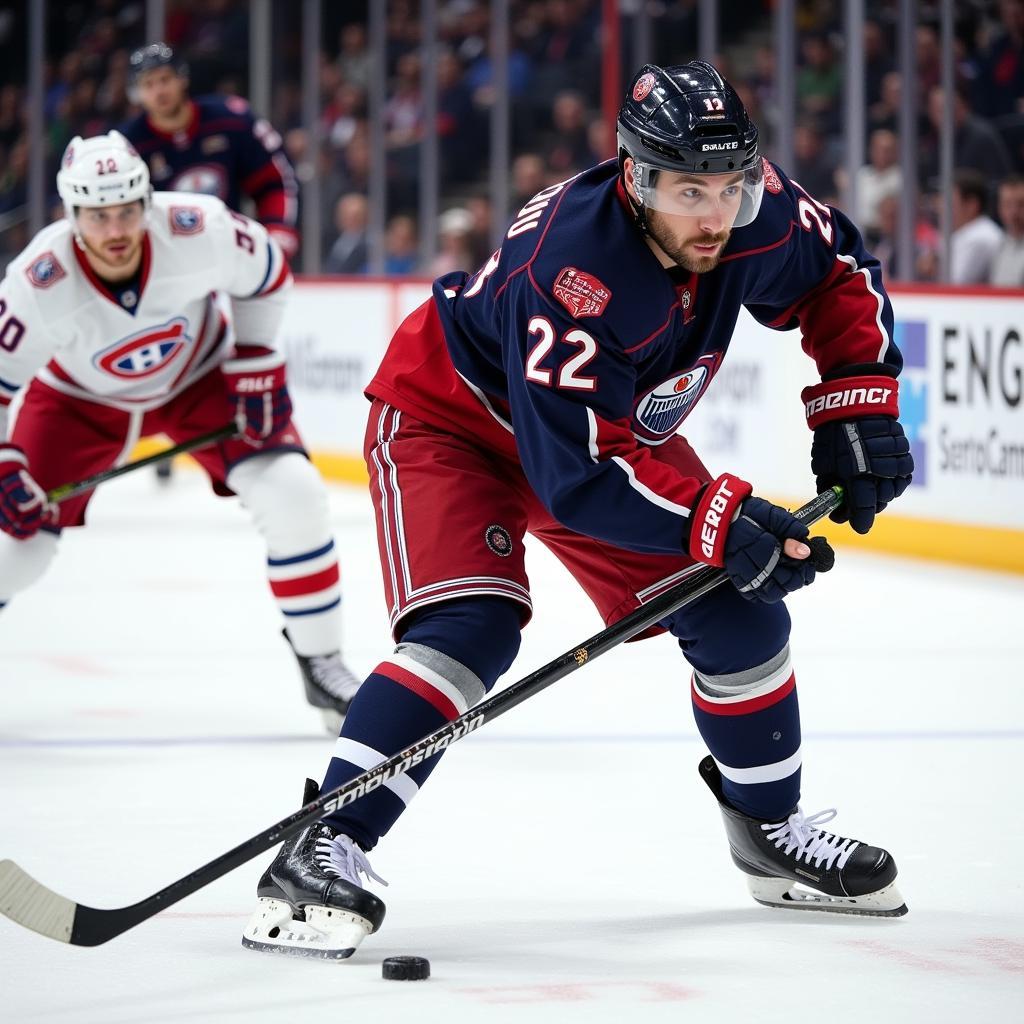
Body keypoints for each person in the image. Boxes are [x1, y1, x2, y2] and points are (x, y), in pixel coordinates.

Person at [241, 62, 914, 961]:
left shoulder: (752, 212)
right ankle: (323, 841)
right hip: (454, 421)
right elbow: (578, 478)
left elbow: (836, 272)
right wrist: (722, 518)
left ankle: (768, 832)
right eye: (689, 191)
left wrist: (857, 402)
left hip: (601, 430)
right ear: (636, 180)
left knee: (740, 613)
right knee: (470, 629)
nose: (715, 214)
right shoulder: (573, 266)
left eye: (730, 184)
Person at [0, 131, 360, 731]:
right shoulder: (37, 282)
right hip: (78, 402)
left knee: (293, 491)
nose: (114, 231)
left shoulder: (199, 226)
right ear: (71, 215)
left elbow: (267, 272)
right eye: (96, 215)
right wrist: (5, 459)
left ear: (146, 202)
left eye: (125, 211)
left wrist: (256, 360)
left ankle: (322, 663)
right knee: (19, 547)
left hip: (202, 376)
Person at [120, 42, 301, 485]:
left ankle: (251, 426)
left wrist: (276, 231)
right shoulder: (129, 145)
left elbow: (274, 179)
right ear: (137, 94)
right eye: (148, 85)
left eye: (164, 79)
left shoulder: (232, 119)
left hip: (227, 251)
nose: (159, 91)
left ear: (181, 79)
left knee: (250, 336)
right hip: (162, 265)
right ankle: (169, 423)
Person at [950, 170, 1005, 285]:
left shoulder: (982, 236)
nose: (943, 208)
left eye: (952, 202)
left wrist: (934, 268)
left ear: (972, 204)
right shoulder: (965, 232)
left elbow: (958, 283)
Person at [990, 175, 1024, 287]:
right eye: (1007, 204)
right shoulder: (996, 244)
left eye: (1021, 204)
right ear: (999, 208)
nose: (1014, 213)